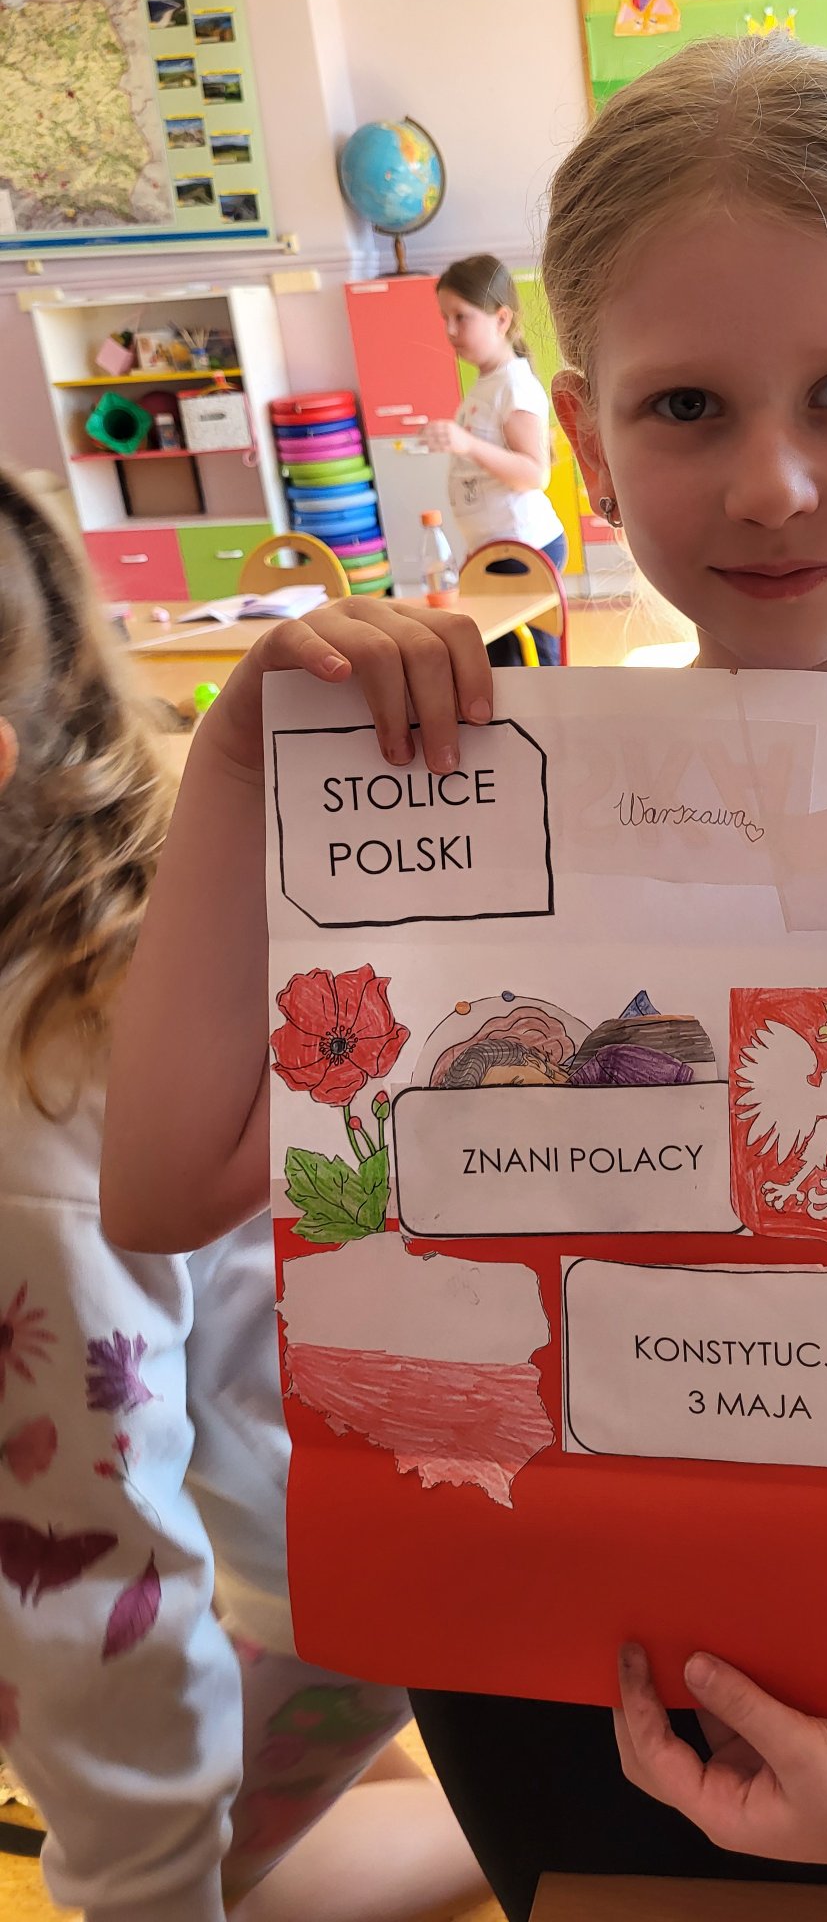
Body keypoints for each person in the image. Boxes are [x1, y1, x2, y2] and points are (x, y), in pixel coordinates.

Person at [102, 37, 827, 1920]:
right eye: (689, 408)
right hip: (514, 1621)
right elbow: (164, 1185)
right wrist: (244, 773)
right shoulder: (497, 795)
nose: (774, 483)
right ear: (584, 438)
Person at [0, 468, 487, 1922]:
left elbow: (98, 1592)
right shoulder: (96, 908)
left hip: (358, 1576)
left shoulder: (32, 1137)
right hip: (308, 1510)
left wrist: (145, 1895)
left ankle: (522, 1807)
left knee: (230, 1882)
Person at [423, 253, 568, 577]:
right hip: (496, 549)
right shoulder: (489, 383)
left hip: (524, 548)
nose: (450, 330)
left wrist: (467, 444)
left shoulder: (514, 386)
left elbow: (534, 474)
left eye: (461, 317)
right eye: (445, 317)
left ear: (501, 319)